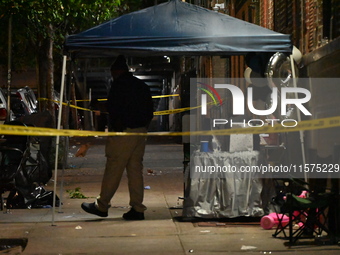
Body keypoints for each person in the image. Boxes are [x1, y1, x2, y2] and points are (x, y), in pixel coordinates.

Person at [81, 55, 154, 220]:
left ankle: (102, 205)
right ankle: (138, 208)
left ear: (116, 71)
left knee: (114, 166)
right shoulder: (141, 85)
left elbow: (113, 108)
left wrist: (98, 106)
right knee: (135, 170)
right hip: (140, 132)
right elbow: (150, 111)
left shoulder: (119, 85)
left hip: (123, 133)